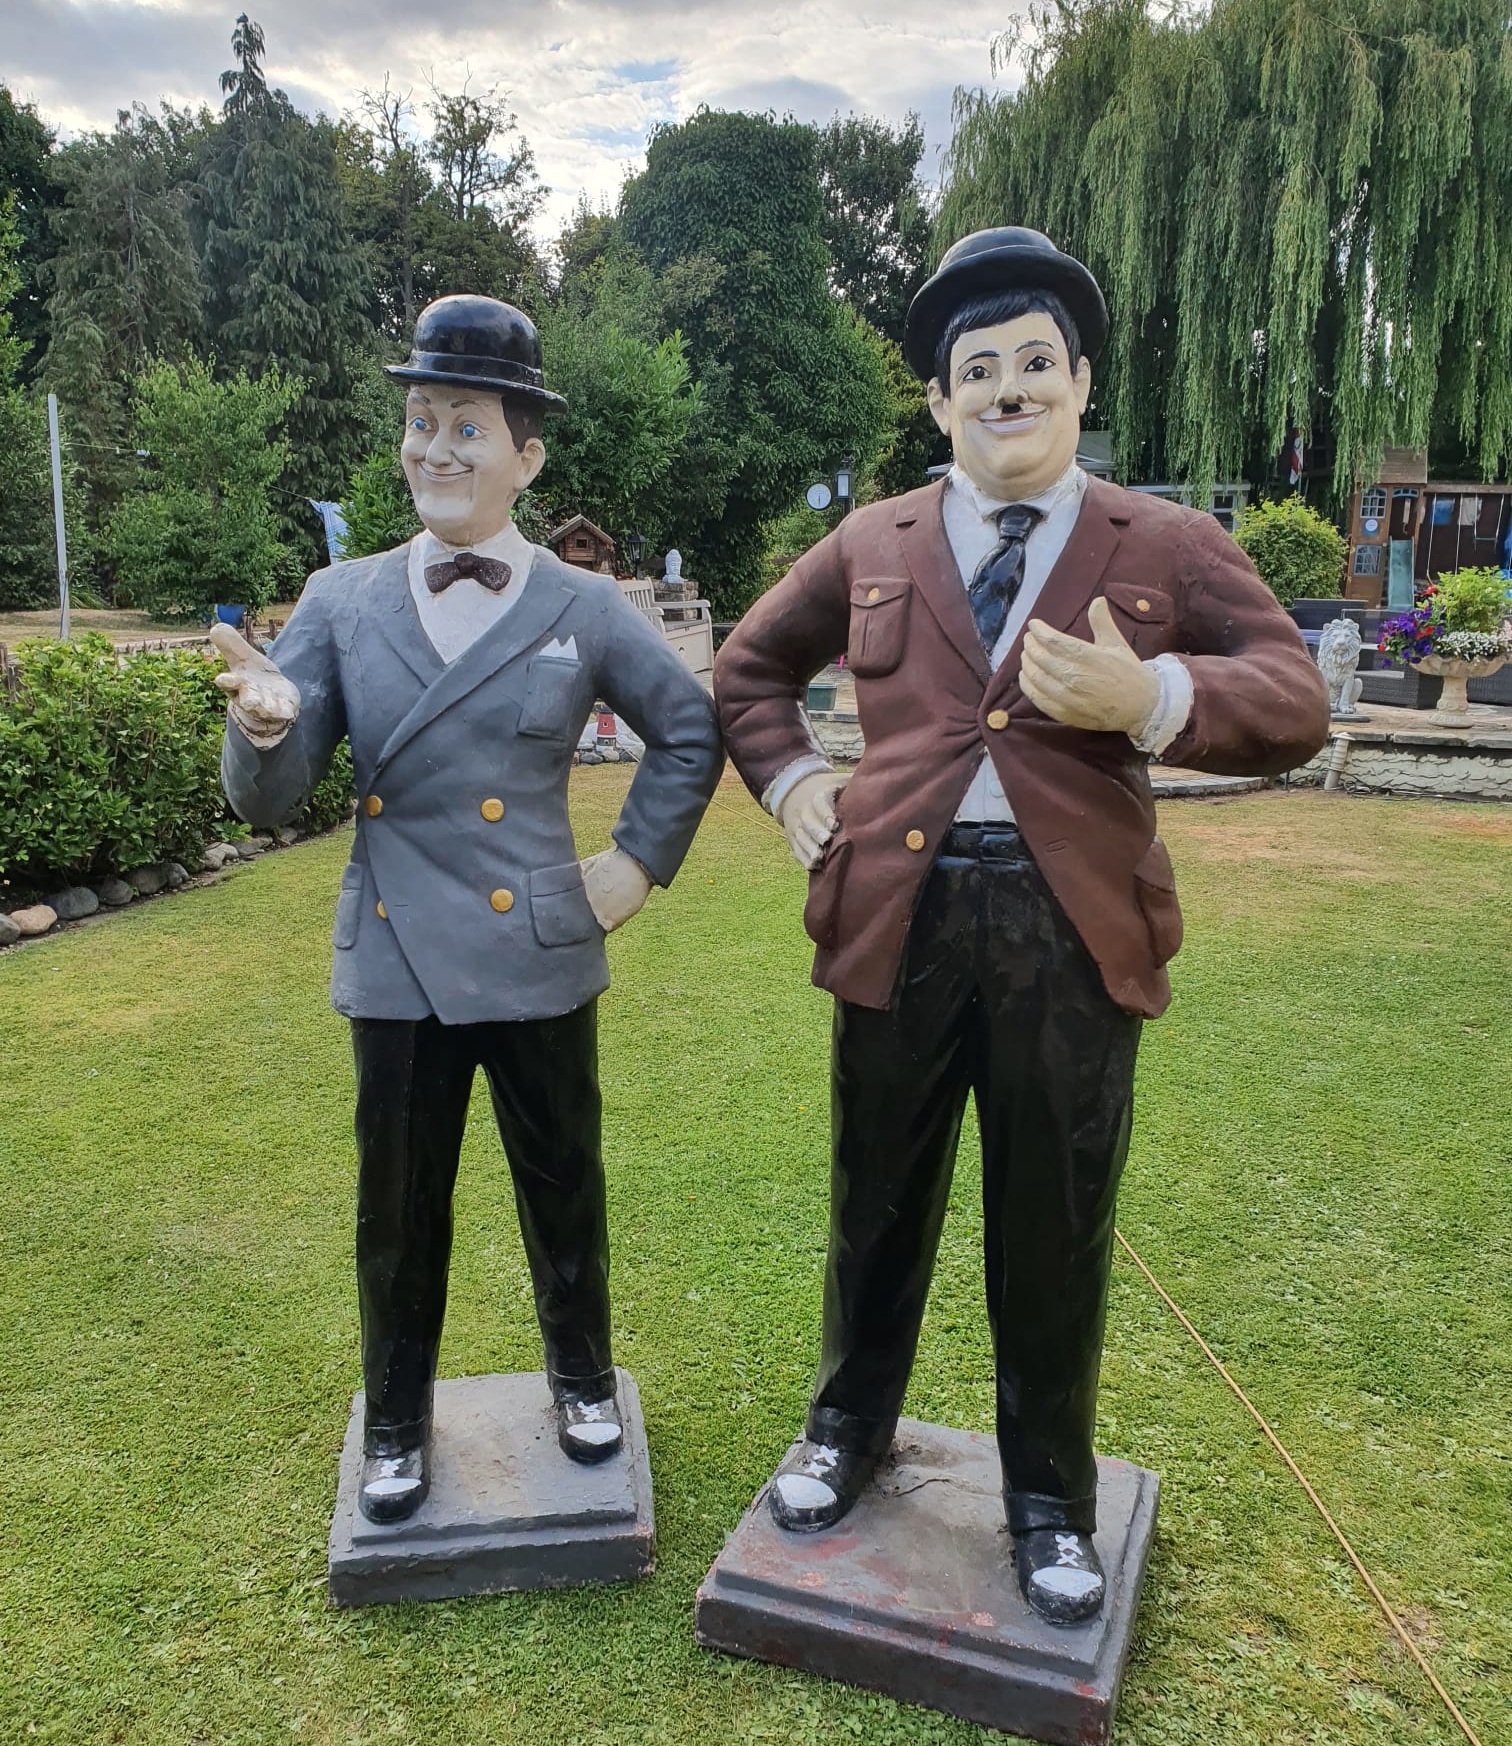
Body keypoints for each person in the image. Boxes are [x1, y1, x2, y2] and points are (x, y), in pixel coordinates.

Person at [713, 227, 1328, 1624]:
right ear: (937, 402)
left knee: (1054, 1219)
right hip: (897, 921)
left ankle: (1049, 1499)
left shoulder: (1158, 539)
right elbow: (749, 668)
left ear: (1080, 383)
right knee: (876, 1205)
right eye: (974, 369)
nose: (1006, 390)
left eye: (1034, 365)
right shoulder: (874, 539)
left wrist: (1153, 701)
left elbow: (1292, 696)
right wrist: (800, 781)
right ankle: (844, 1436)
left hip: (1071, 931)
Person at [214, 294, 722, 1524]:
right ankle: (396, 1423)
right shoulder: (341, 598)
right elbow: (276, 800)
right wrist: (263, 730)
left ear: (526, 454)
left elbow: (689, 726)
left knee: (563, 1186)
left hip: (540, 948)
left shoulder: (584, 603)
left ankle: (584, 1381)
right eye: (422, 421)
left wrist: (632, 869)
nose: (438, 450)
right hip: (394, 958)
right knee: (397, 1207)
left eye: (468, 427)